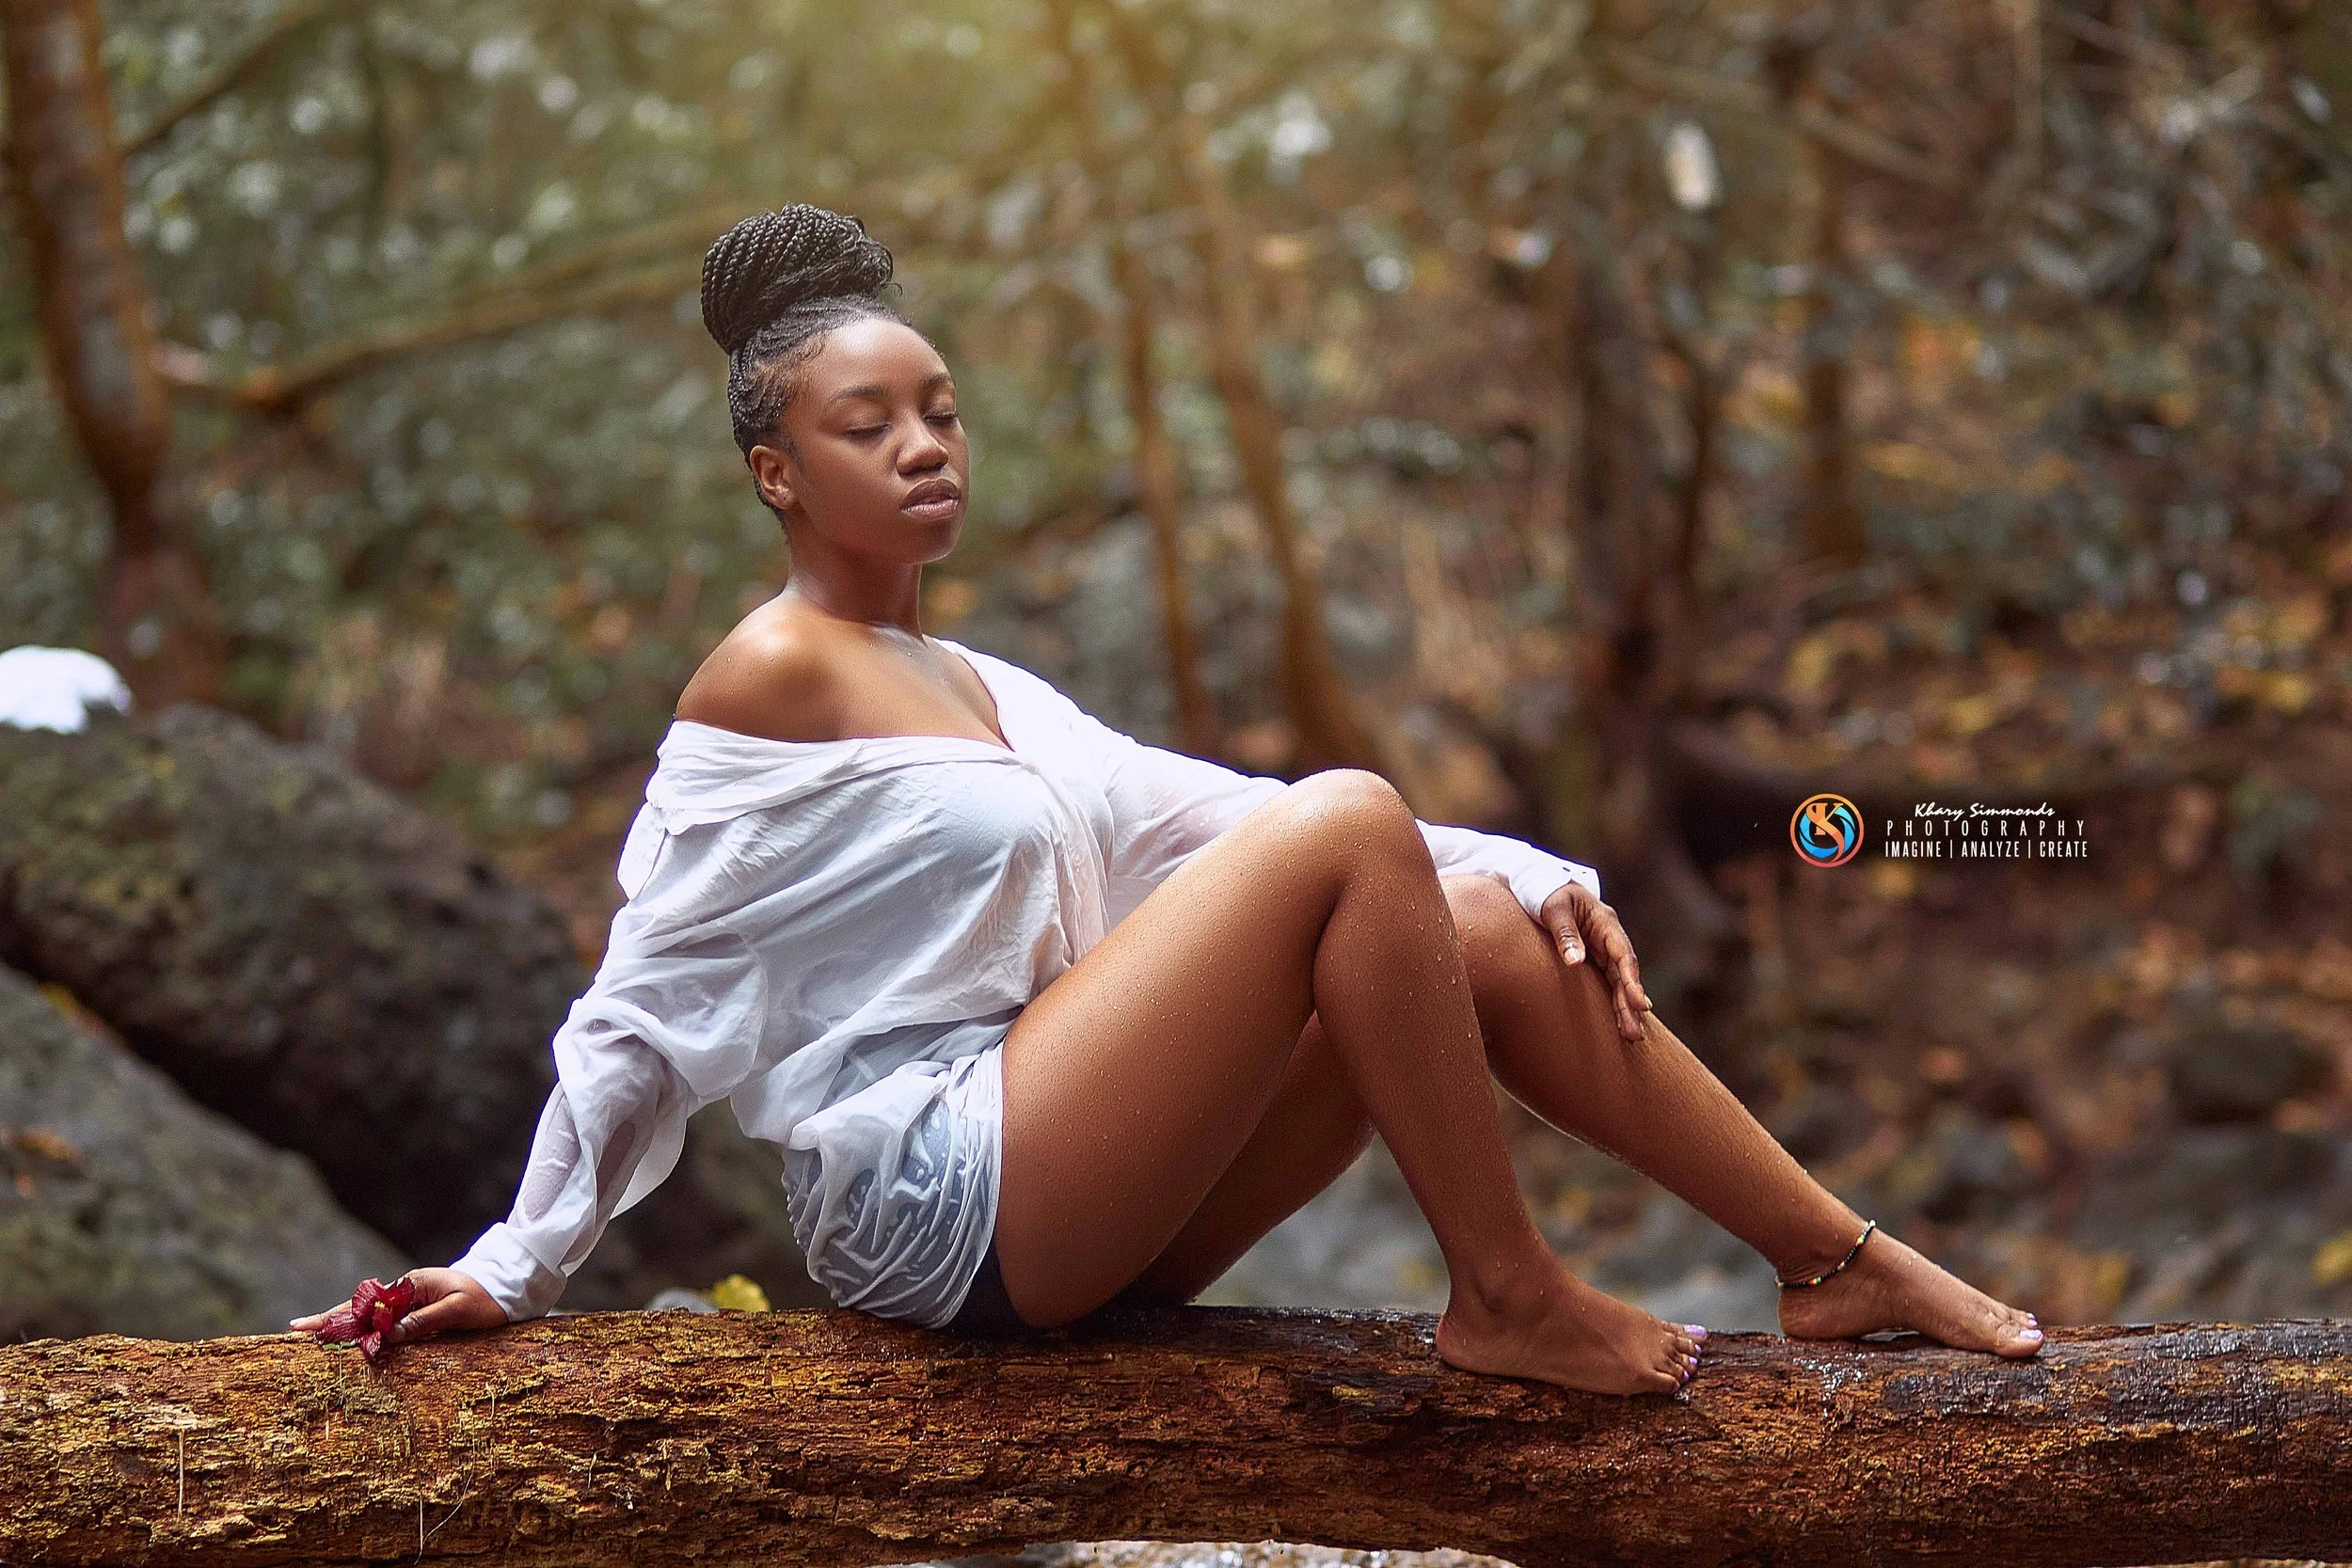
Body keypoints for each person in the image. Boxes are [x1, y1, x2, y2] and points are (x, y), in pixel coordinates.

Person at [296, 204, 2043, 1396]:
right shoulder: (765, 678)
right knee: (1359, 822)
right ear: (775, 469)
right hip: (927, 1208)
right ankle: (1508, 1296)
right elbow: (644, 1000)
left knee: (1466, 917)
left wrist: (1526, 859)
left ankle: (1841, 1260)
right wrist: (515, 1263)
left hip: (1079, 1192)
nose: (926, 446)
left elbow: (1227, 822)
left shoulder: (988, 689)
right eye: (866, 424)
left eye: (942, 410)